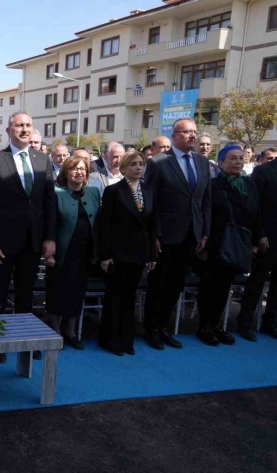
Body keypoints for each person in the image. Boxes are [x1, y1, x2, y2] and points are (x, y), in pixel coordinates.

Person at [0, 112, 56, 363]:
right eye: (19, 125)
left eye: (28, 125)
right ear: (9, 129)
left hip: (33, 241)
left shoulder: (42, 160)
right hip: (2, 243)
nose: (24, 129)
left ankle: (26, 342)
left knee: (26, 293)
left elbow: (49, 202)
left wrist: (49, 238)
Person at [143, 118, 212, 350]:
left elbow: (205, 202)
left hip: (191, 235)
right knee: (158, 285)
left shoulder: (203, 163)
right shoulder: (159, 162)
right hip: (165, 236)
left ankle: (164, 327)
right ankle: (151, 329)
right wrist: (154, 234)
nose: (192, 136)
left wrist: (204, 233)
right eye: (187, 132)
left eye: (195, 132)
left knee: (175, 286)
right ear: (174, 136)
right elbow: (150, 202)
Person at [236, 129, 277, 342]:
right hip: (268, 239)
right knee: (256, 283)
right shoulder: (264, 171)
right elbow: (254, 206)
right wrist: (259, 235)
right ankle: (245, 324)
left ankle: (270, 322)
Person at [195, 145, 261, 346]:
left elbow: (257, 214)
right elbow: (204, 214)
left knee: (224, 288)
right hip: (215, 244)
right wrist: (203, 243)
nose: (238, 162)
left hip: (238, 244)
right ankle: (204, 326)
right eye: (233, 158)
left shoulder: (248, 185)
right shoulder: (212, 185)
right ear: (221, 162)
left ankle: (216, 324)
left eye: (241, 158)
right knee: (209, 287)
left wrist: (257, 240)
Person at [97, 152, 156, 356]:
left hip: (139, 254)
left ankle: (126, 339)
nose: (138, 168)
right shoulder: (114, 191)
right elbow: (105, 225)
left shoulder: (148, 190)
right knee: (115, 297)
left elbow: (151, 225)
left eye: (141, 164)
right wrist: (104, 255)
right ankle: (110, 339)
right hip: (117, 253)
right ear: (123, 168)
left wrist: (151, 256)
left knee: (130, 297)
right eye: (133, 164)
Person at [44, 156, 99, 350]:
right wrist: (48, 253)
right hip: (62, 253)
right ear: (65, 172)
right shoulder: (56, 193)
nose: (79, 172)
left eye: (82, 169)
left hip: (85, 253)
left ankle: (72, 332)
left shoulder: (93, 193)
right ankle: (56, 331)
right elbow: (49, 224)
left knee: (77, 294)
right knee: (58, 293)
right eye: (74, 169)